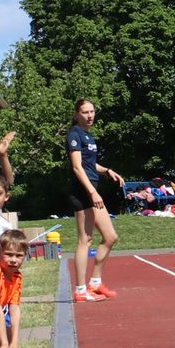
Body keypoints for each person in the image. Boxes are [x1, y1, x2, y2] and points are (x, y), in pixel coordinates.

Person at [65, 99, 122, 303]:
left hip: (91, 191)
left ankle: (95, 283)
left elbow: (89, 164)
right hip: (83, 192)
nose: (90, 115)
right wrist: (92, 192)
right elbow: (77, 167)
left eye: (92, 111)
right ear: (76, 114)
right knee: (85, 240)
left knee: (110, 237)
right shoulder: (74, 134)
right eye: (85, 112)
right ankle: (80, 290)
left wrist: (107, 170)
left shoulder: (88, 136)